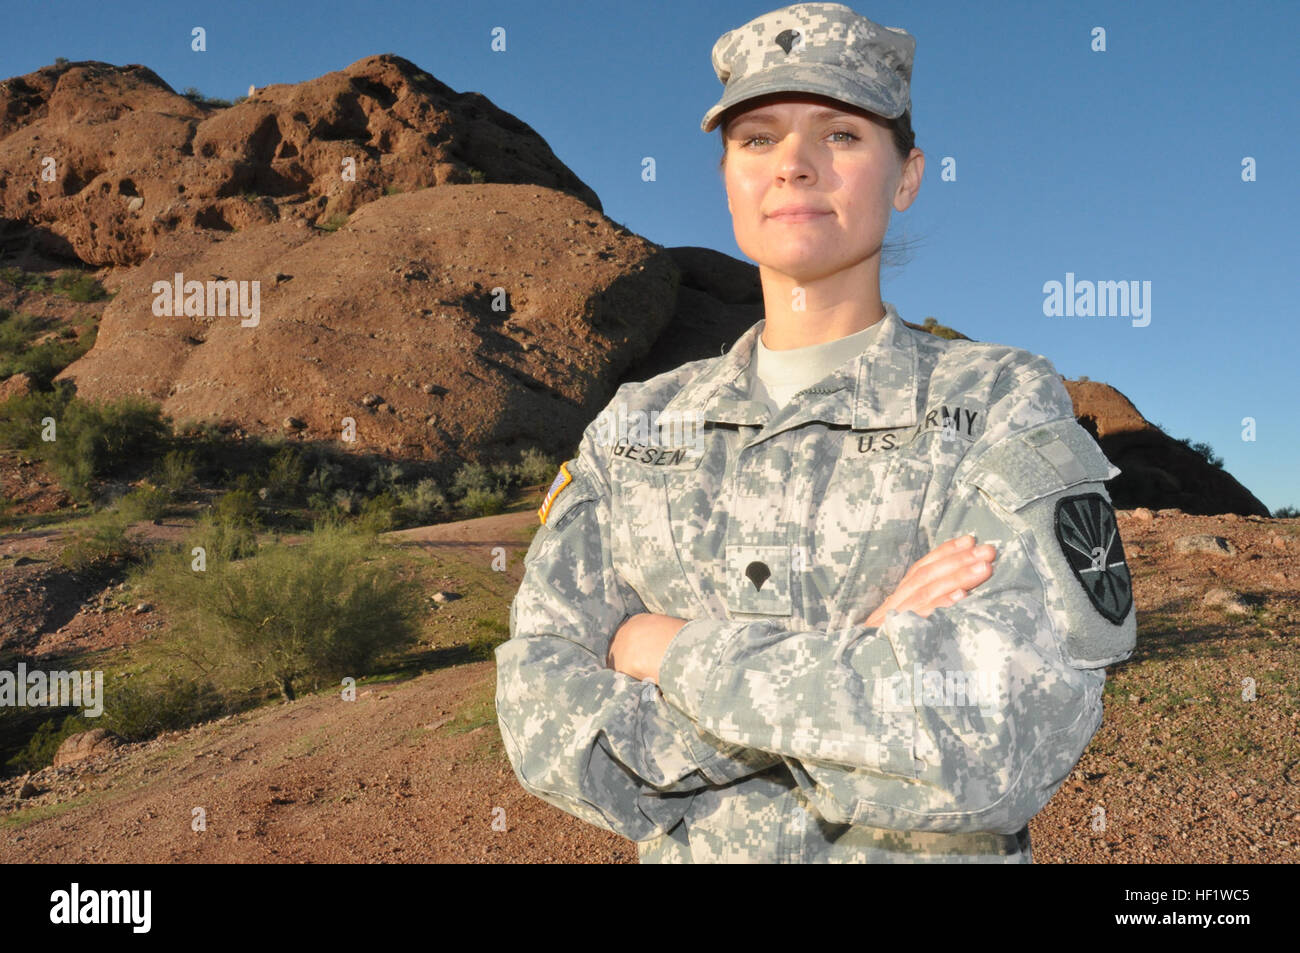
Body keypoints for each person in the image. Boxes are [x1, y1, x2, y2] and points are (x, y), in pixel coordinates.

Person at [495, 1, 1136, 863]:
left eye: (840, 135)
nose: (792, 165)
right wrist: (855, 659)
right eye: (757, 138)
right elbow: (544, 724)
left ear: (906, 176)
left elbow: (1000, 739)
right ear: (726, 174)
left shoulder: (998, 400)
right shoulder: (637, 426)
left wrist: (673, 650)